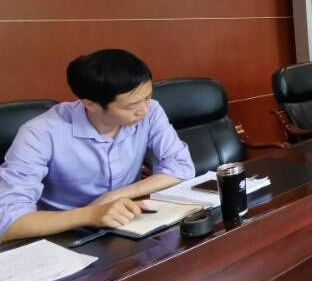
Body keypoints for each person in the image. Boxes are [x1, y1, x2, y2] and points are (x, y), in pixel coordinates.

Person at [0, 49, 195, 242]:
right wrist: (91, 214)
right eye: (131, 106)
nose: (144, 110)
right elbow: (7, 223)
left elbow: (182, 166)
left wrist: (115, 196)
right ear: (90, 105)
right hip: (66, 237)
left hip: (128, 225)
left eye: (147, 97)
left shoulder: (151, 111)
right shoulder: (40, 133)